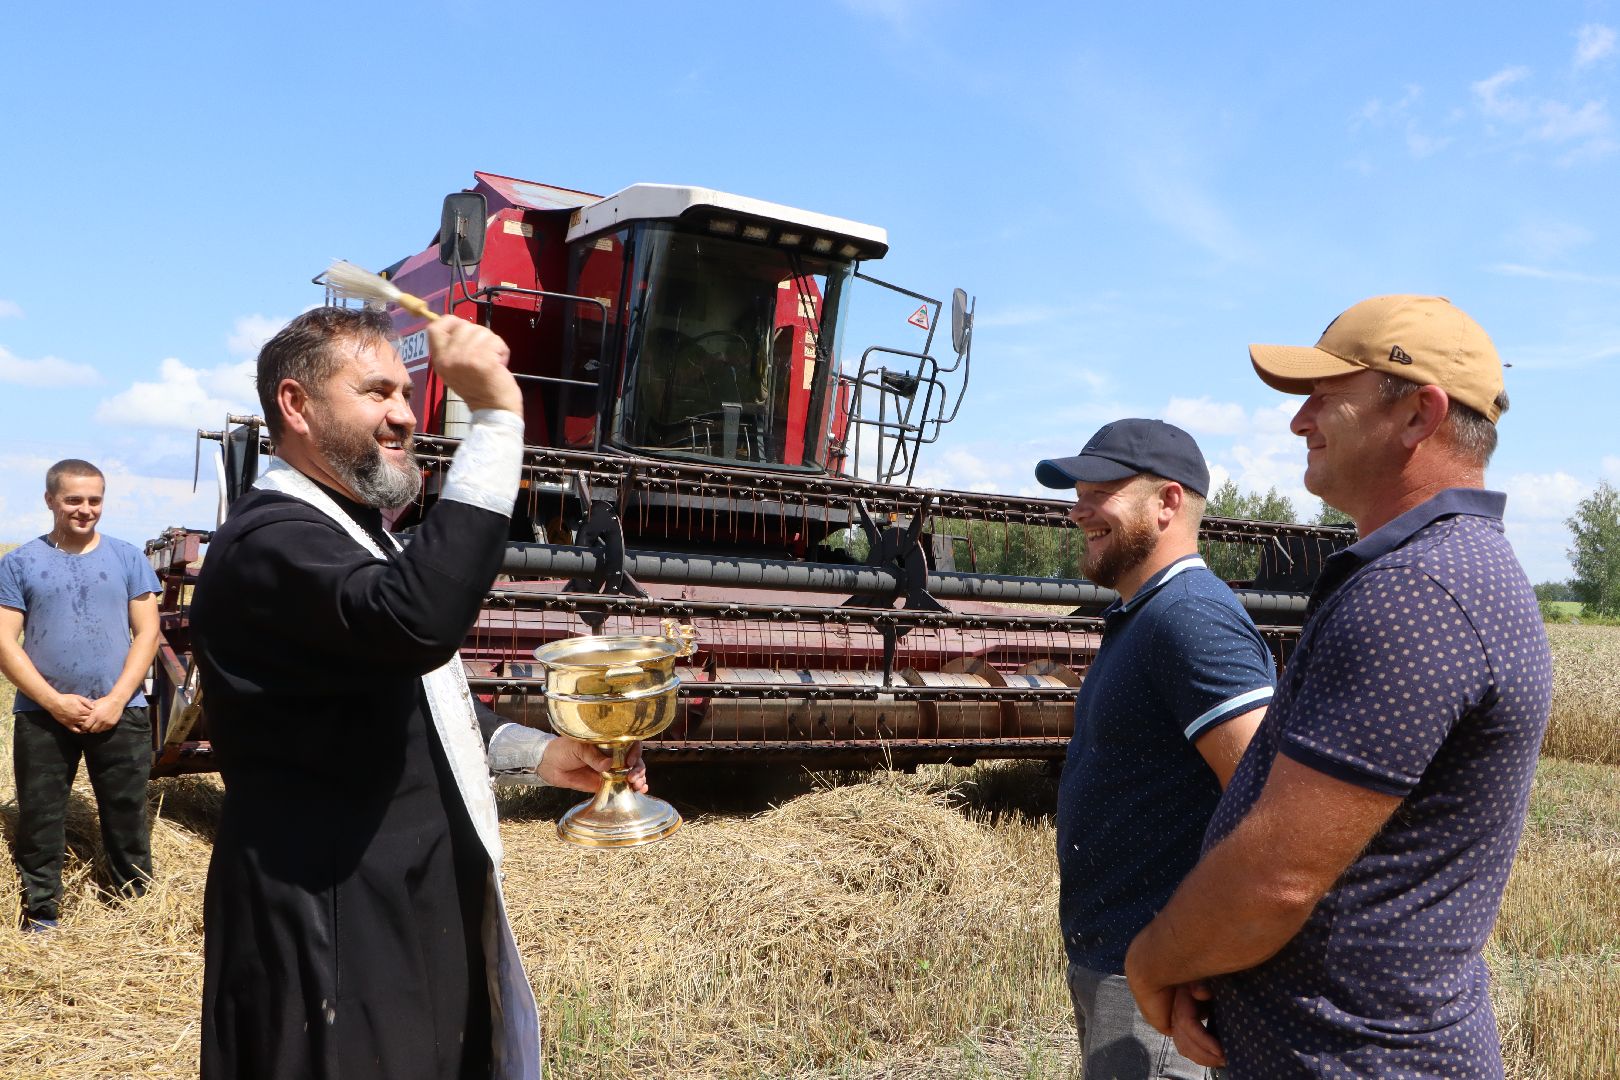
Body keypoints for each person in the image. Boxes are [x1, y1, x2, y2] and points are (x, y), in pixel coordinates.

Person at [190, 307, 637, 1080]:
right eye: (375, 392)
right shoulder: (268, 544)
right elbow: (415, 623)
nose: (403, 414)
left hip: (409, 899)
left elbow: (413, 685)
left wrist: (543, 753)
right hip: (326, 919)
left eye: (405, 390)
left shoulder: (355, 532)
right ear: (295, 405)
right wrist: (496, 419)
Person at [1124, 295, 1553, 1078]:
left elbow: (1276, 879)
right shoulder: (1446, 571)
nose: (1298, 421)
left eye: (1326, 396)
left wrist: (1154, 962)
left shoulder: (1419, 592)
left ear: (1419, 416)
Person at [1034, 419, 1275, 1080]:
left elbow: (1271, 816)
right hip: (1121, 965)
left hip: (1159, 985)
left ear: (1168, 502)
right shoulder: (1146, 616)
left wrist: (1184, 959)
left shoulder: (1189, 618)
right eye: (1076, 491)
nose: (1078, 509)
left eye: (1101, 489)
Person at [0, 459, 161, 932]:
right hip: (43, 714)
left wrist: (115, 700)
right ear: (50, 500)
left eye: (94, 500)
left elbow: (148, 634)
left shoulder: (128, 557)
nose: (85, 509)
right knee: (41, 814)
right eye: (73, 499)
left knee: (127, 812)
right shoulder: (20, 562)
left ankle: (134, 907)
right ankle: (42, 912)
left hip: (121, 710)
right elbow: (5, 641)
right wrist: (53, 701)